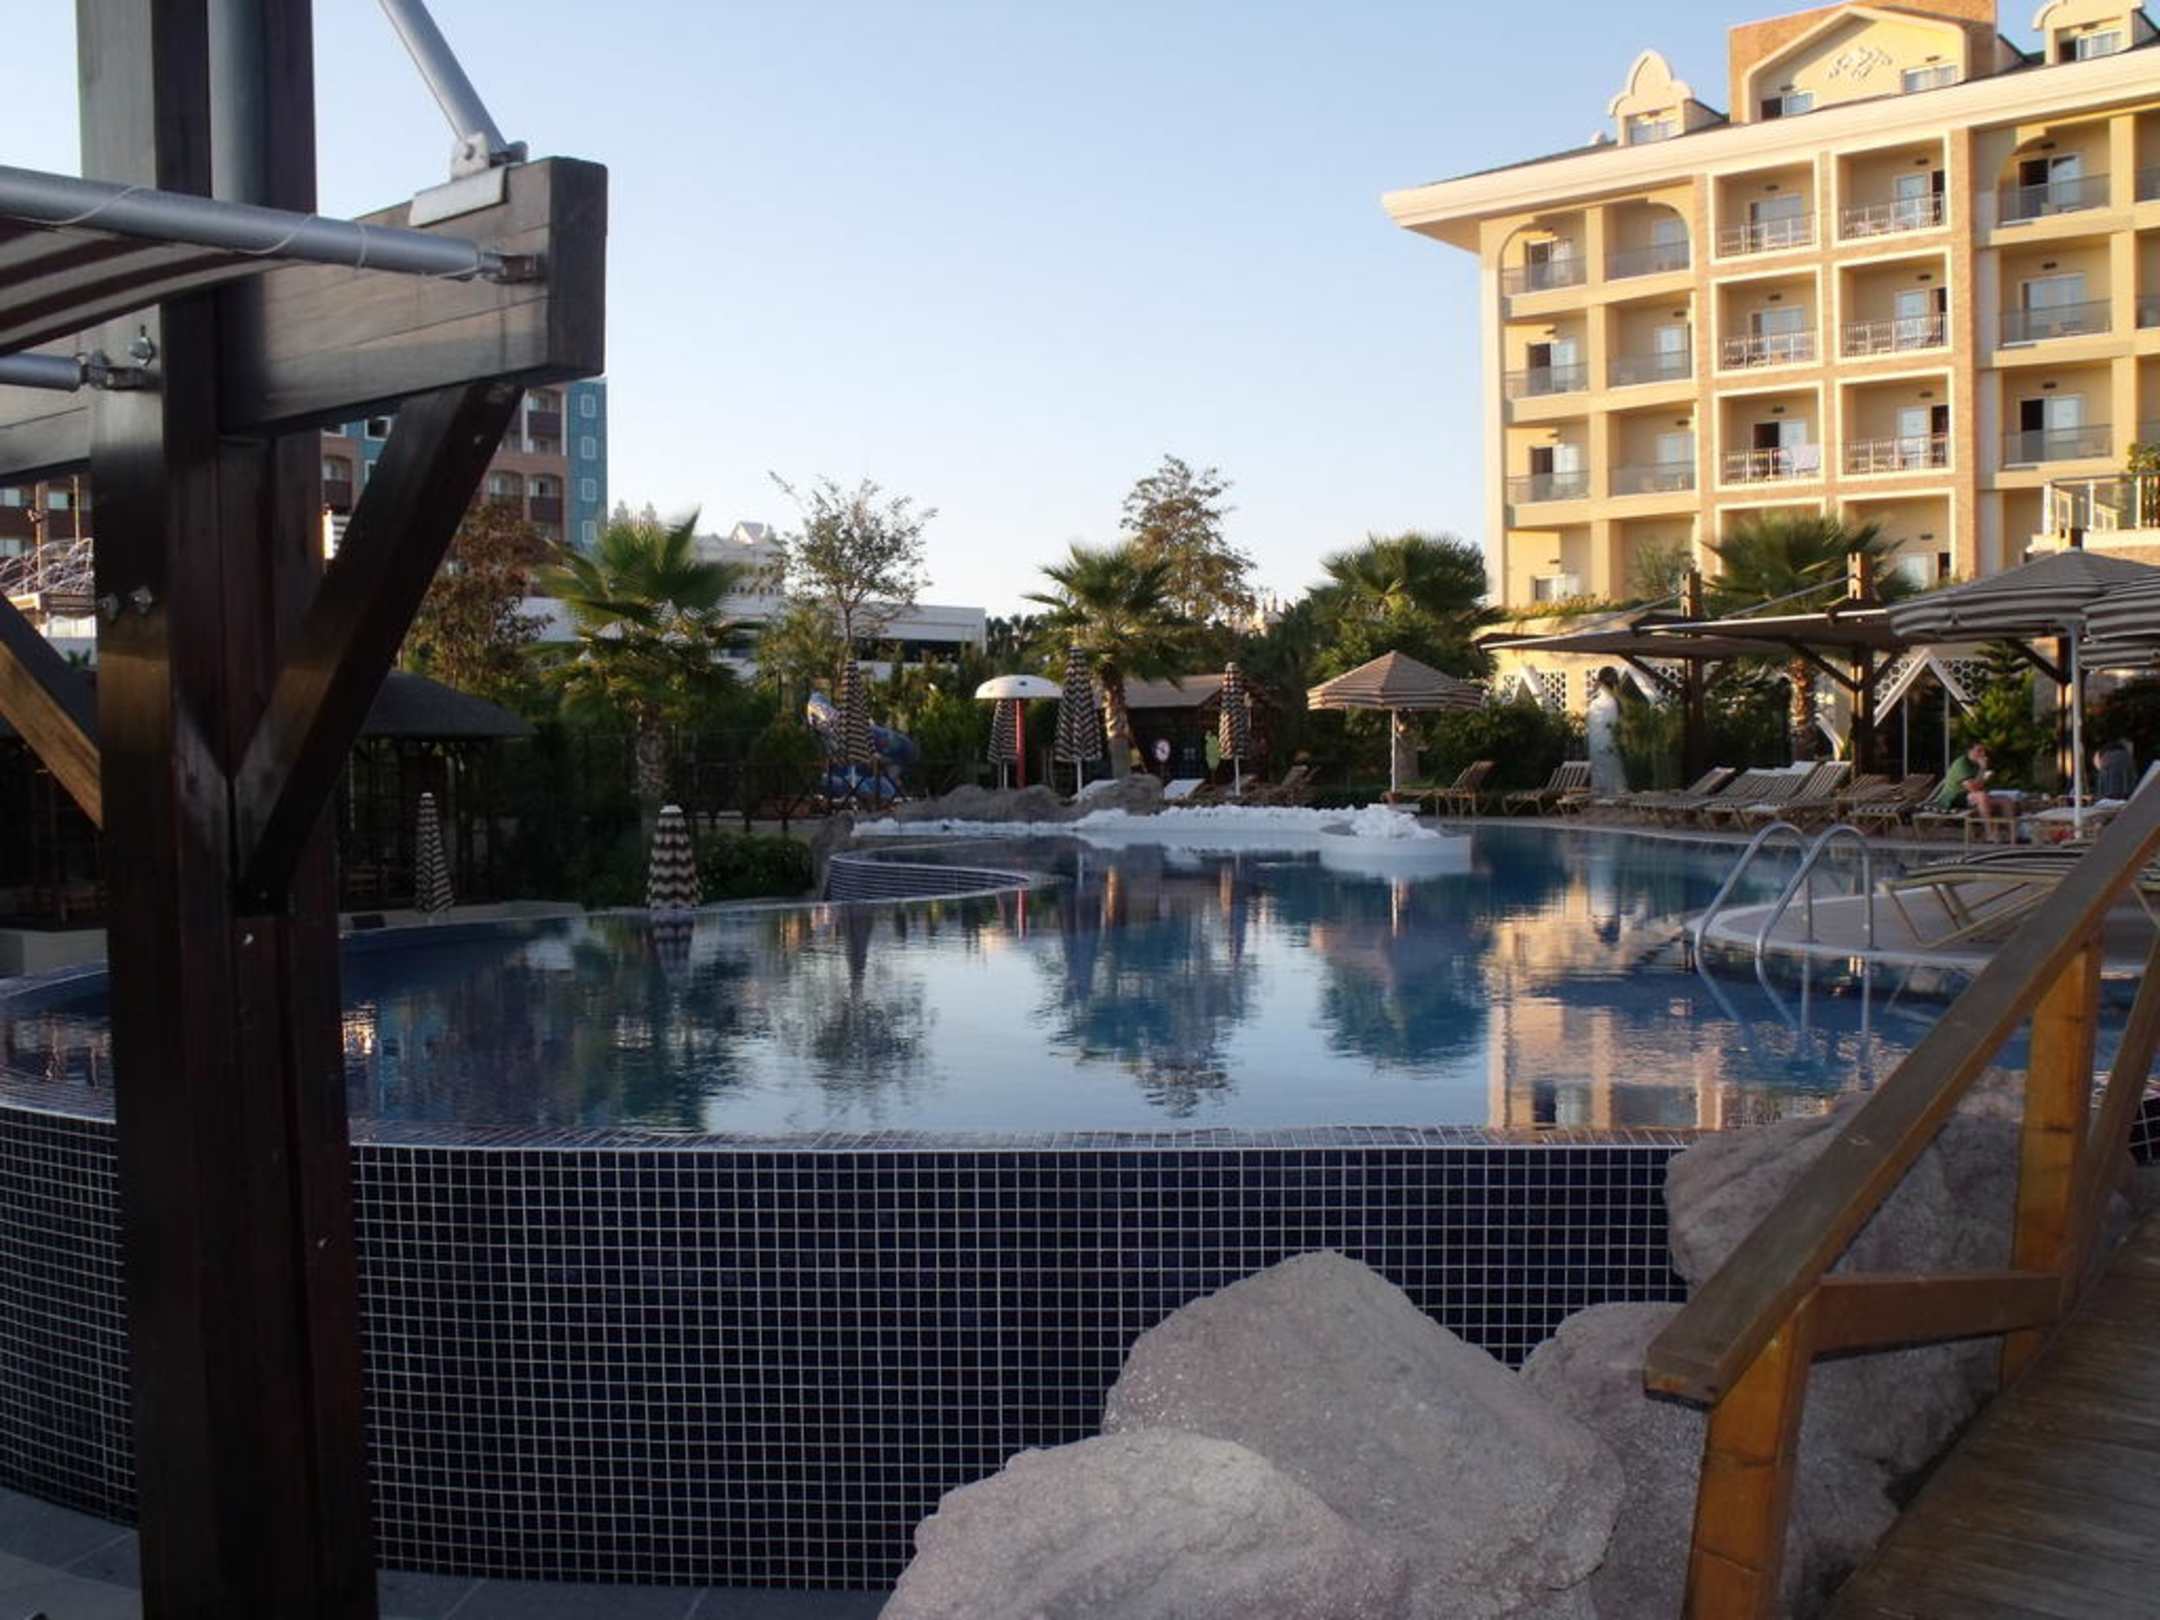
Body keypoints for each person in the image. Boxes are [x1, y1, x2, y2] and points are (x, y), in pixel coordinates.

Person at [1934, 743, 2002, 839]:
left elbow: (1978, 786)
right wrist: (1983, 769)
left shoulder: (1976, 764)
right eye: (1979, 750)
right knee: (1981, 796)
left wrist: (1985, 778)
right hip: (1953, 797)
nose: (1983, 754)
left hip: (1970, 796)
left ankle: (2014, 834)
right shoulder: (1961, 764)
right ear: (1969, 751)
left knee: (2006, 801)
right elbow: (1973, 788)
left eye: (1984, 751)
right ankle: (1989, 834)